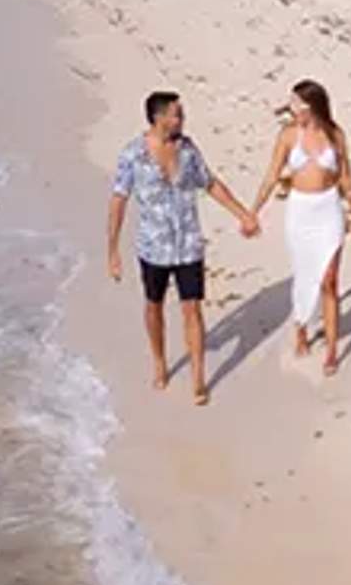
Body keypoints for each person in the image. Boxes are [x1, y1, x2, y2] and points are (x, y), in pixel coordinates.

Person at [106, 90, 257, 404]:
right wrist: (113, 251)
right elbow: (119, 200)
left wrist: (243, 214)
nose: (182, 119)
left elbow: (210, 183)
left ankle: (198, 378)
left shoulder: (187, 149)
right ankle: (159, 362)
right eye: (177, 114)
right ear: (159, 117)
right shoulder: (132, 154)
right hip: (153, 247)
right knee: (154, 306)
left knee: (192, 307)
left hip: (188, 243)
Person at [258, 79, 351, 375]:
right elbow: (271, 176)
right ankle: (301, 327)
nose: (292, 109)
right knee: (305, 274)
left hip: (329, 208)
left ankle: (331, 350)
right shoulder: (289, 135)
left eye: (297, 104)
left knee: (329, 280)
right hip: (300, 210)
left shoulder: (335, 134)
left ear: (312, 106)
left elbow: (346, 177)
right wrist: (253, 210)